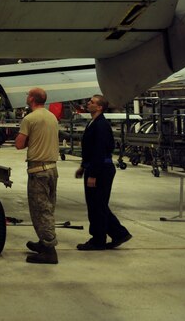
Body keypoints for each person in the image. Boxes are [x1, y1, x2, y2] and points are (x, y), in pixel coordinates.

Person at [75, 94, 132, 251]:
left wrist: (93, 174)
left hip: (100, 170)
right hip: (95, 167)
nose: (88, 103)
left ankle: (98, 240)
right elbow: (90, 149)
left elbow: (100, 151)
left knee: (96, 206)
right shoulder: (94, 122)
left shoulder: (101, 125)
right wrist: (83, 167)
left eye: (92, 102)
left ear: (99, 107)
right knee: (98, 205)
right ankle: (119, 233)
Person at [15, 87, 60, 264]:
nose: (26, 97)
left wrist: (28, 141)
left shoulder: (30, 119)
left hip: (38, 170)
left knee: (41, 211)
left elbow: (19, 144)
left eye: (28, 95)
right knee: (48, 207)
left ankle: (49, 250)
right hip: (52, 169)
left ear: (32, 99)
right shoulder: (52, 117)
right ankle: (43, 242)